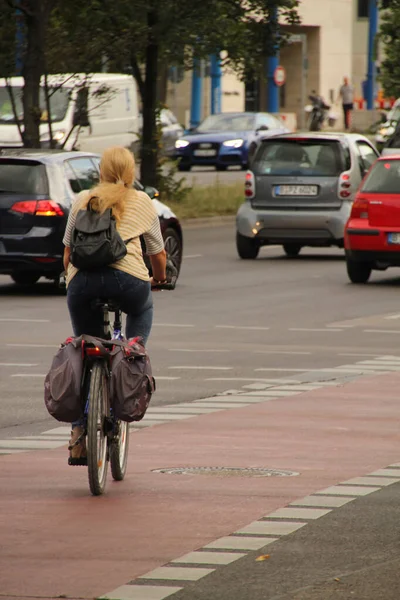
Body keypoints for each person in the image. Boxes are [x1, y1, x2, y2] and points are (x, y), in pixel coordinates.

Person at [62, 146, 167, 461]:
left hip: (81, 283)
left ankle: (79, 432)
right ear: (131, 172)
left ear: (101, 171)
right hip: (128, 281)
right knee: (142, 308)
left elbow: (67, 253)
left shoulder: (83, 199)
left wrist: (71, 277)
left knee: (85, 345)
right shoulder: (142, 201)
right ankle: (129, 365)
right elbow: (157, 254)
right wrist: (158, 279)